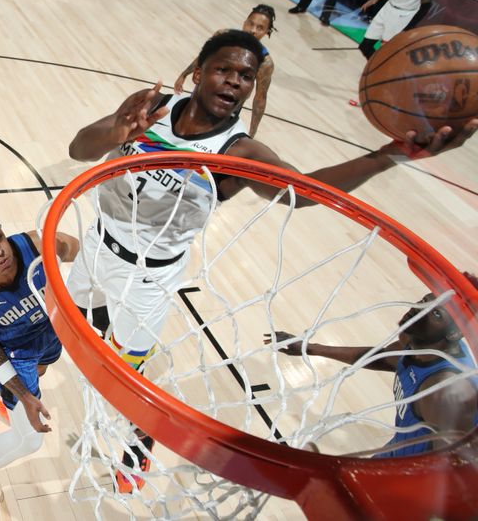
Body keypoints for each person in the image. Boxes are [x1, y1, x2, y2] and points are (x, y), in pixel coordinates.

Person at [67, 30, 478, 492]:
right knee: (69, 319)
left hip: (147, 278)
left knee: (128, 378)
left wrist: (390, 155)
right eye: (224, 69)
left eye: (245, 76)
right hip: (97, 242)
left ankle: (137, 450)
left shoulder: (239, 152)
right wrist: (118, 130)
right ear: (198, 72)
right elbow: (79, 150)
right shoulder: (155, 108)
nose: (234, 82)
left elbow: (304, 194)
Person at [0, 209, 78, 521]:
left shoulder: (37, 245)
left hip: (49, 333)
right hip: (15, 354)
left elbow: (84, 252)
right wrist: (24, 395)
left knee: (43, 369)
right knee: (30, 440)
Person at [265, 273, 478, 458]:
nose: (419, 309)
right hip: (396, 454)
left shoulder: (448, 390)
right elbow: (381, 357)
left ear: (454, 333)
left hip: (408, 483)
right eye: (425, 300)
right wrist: (309, 348)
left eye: (436, 313)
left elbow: (453, 471)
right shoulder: (417, 343)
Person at [174, 4, 277, 137]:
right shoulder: (222, 37)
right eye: (250, 23)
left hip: (225, 112)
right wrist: (184, 74)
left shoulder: (265, 62)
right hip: (200, 99)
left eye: (260, 28)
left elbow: (260, 99)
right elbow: (204, 58)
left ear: (267, 32)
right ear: (245, 21)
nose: (253, 30)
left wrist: (252, 132)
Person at [359, 0, 429, 59]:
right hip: (388, 6)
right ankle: (377, 68)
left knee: (384, 52)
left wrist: (409, 26)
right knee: (365, 47)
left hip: (403, 14)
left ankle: (380, 68)